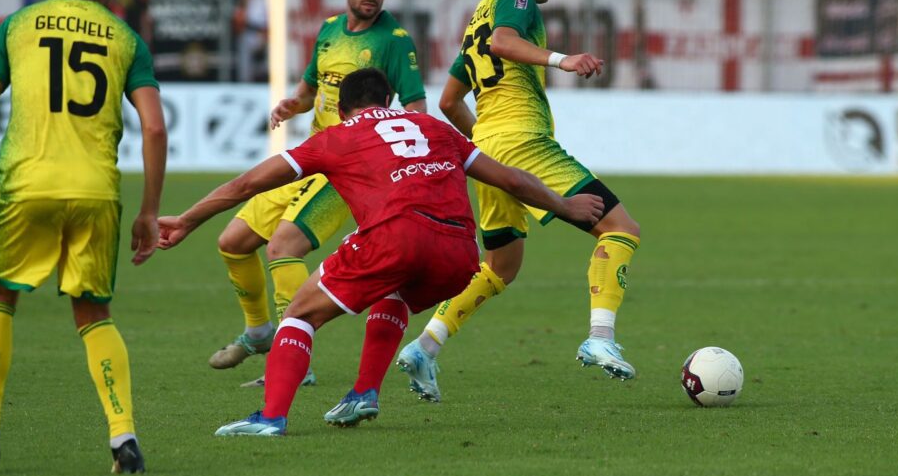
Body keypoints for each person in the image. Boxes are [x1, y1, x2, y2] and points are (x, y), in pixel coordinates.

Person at [156, 68, 603, 435]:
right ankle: (363, 394)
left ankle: (271, 417)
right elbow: (510, 179)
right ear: (388, 100)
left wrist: (187, 219)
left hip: (397, 236)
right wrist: (566, 205)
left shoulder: (337, 135)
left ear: (343, 108)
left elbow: (248, 184)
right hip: (459, 253)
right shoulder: (433, 127)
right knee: (395, 294)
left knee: (299, 314)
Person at [395, 0, 642, 403]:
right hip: (521, 139)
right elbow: (504, 43)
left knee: (501, 266)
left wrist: (485, 147)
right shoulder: (514, 1)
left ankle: (426, 346)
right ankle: (601, 337)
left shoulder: (477, 17)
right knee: (621, 228)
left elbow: (448, 100)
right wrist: (562, 59)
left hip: (489, 151)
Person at [0, 0, 167, 474]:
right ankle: (124, 441)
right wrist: (147, 212)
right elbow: (155, 128)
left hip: (26, 188)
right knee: (93, 312)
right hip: (96, 190)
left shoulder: (19, 25)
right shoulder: (125, 38)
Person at [211, 0, 428, 389]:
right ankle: (259, 332)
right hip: (310, 157)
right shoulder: (329, 31)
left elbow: (416, 108)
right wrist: (292, 105)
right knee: (233, 242)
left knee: (282, 247)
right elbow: (311, 89)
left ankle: (298, 360)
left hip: (345, 171)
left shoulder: (394, 41)